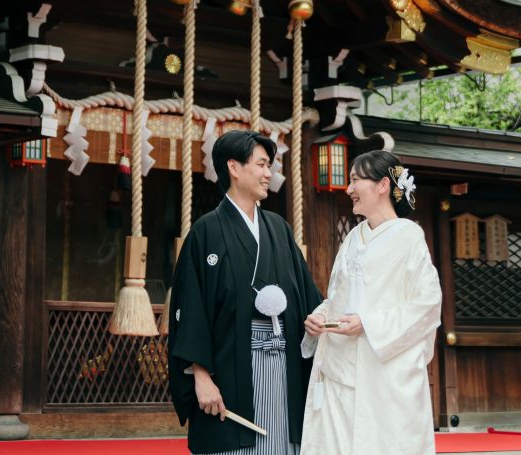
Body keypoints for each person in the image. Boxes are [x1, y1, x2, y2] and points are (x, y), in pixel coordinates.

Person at [169, 129, 324, 454]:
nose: (269, 173)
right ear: (234, 168)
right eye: (261, 164)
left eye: (269, 166)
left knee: (281, 444)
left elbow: (307, 298)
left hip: (283, 366)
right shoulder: (206, 232)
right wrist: (201, 377)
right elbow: (191, 310)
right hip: (230, 371)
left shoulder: (279, 229)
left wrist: (319, 320)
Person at [298, 150, 440, 455]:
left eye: (355, 180)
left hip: (382, 370)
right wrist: (319, 317)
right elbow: (337, 296)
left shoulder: (409, 237)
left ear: (382, 186)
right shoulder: (353, 237)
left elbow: (427, 304)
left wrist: (369, 324)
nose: (348, 189)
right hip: (339, 367)